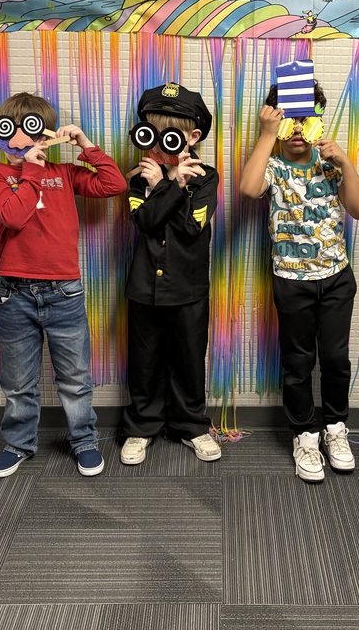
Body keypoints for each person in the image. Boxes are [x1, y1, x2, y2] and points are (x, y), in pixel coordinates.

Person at [0, 92, 126, 479]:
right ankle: (18, 443)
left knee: (75, 377)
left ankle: (84, 440)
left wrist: (85, 145)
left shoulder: (64, 174)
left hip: (64, 291)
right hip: (14, 292)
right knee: (17, 380)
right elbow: (13, 217)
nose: (20, 141)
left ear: (44, 135)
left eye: (31, 132)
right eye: (8, 132)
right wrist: (29, 171)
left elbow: (114, 184)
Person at [239, 81, 359, 483]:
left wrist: (346, 162)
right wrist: (265, 135)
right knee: (298, 363)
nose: (297, 128)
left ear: (319, 119)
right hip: (291, 281)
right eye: (287, 119)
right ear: (275, 121)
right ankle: (305, 434)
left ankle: (335, 429)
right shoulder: (273, 165)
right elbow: (248, 189)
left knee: (335, 359)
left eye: (306, 118)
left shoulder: (330, 162)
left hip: (335, 279)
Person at [119, 83, 220, 466]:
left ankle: (191, 426)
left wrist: (170, 186)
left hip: (189, 287)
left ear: (193, 136)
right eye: (152, 131)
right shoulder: (138, 177)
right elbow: (144, 221)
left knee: (190, 359)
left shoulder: (205, 178)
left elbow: (193, 229)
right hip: (144, 286)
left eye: (171, 134)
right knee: (144, 362)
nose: (159, 142)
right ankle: (142, 426)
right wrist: (162, 184)